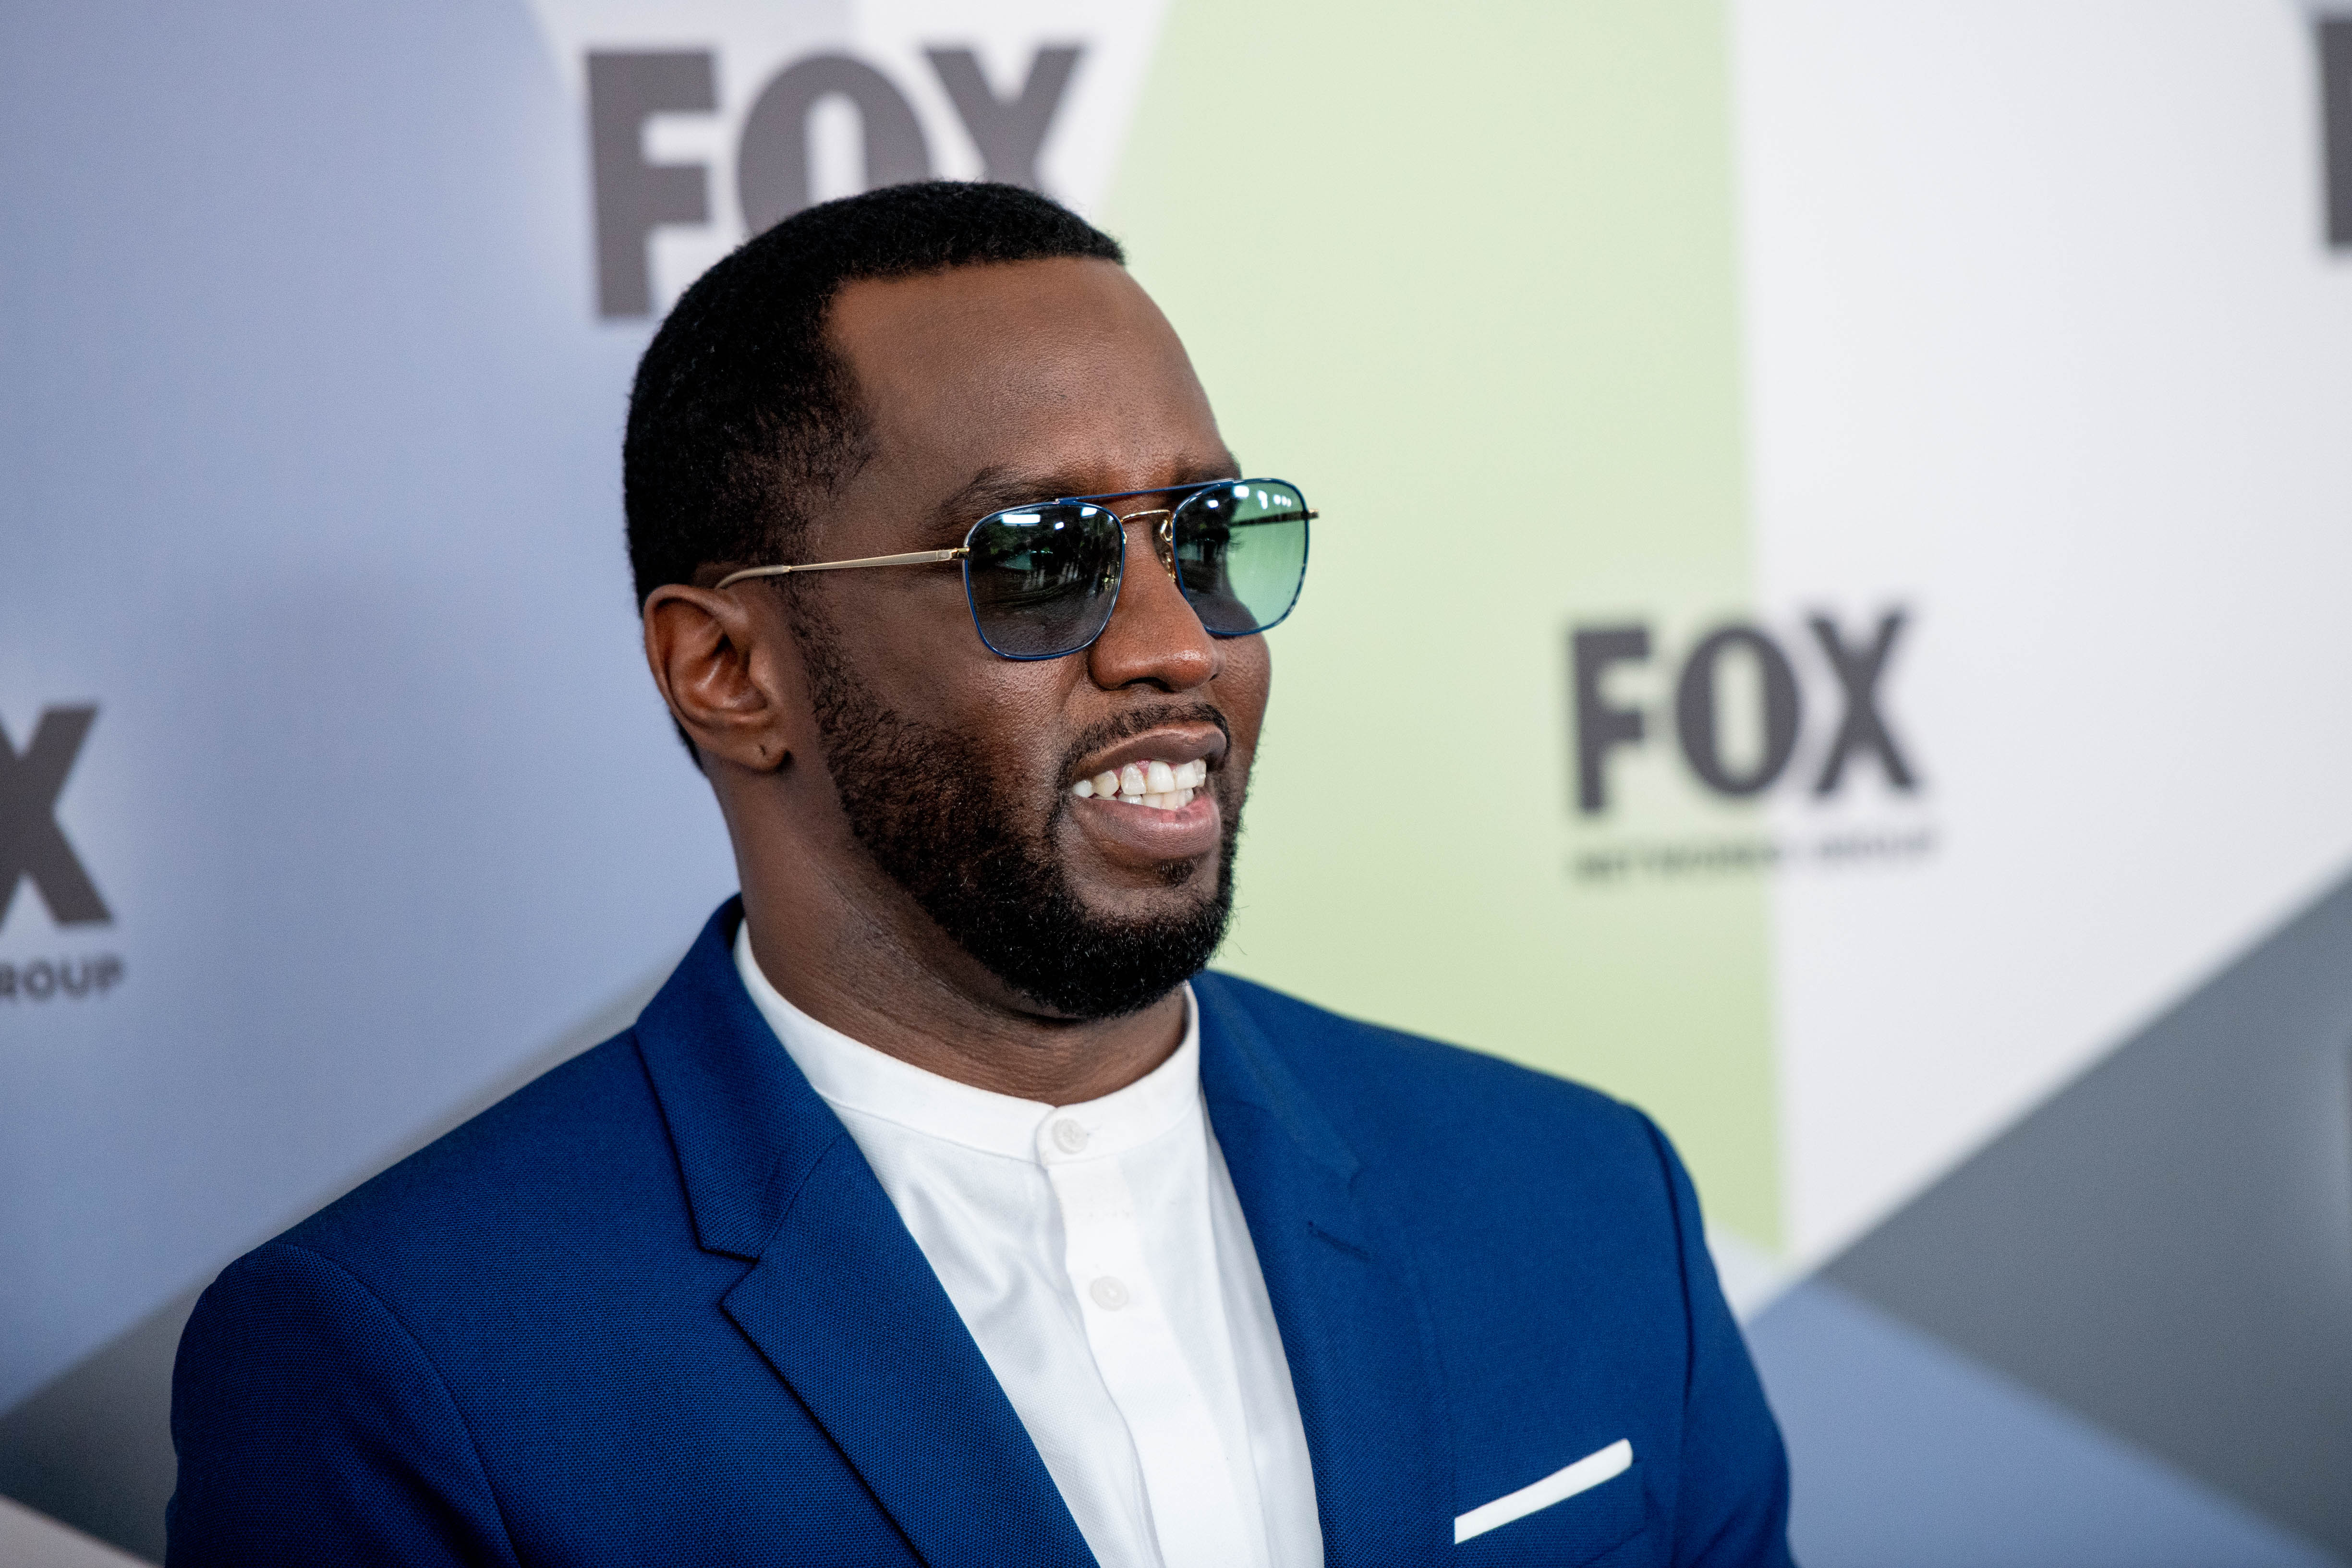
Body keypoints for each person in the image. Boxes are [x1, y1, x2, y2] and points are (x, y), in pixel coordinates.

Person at [168, 181, 1792, 1567]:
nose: (1175, 644)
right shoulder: (403, 1361)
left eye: (1208, 532)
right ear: (729, 669)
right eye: (1039, 555)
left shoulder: (1583, 1202)